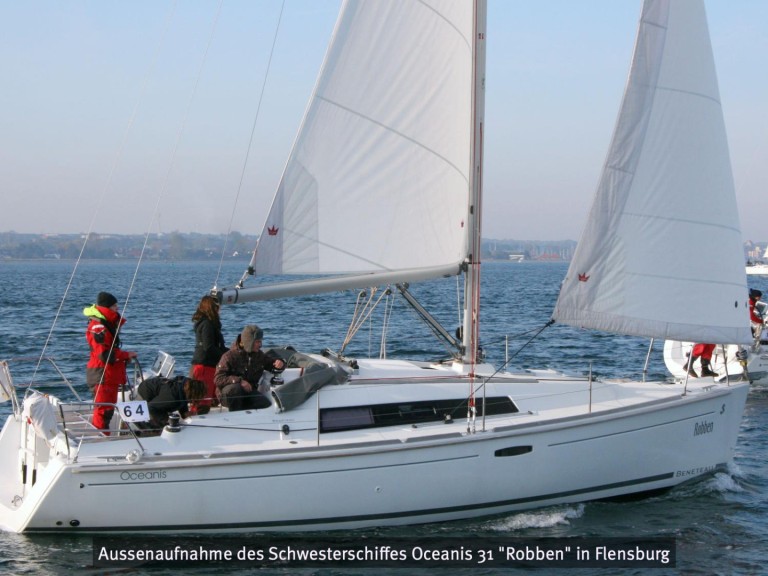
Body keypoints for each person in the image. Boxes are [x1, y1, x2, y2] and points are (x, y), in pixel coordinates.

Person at [84, 291, 138, 432]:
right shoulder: (98, 327)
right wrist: (125, 355)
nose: (117, 309)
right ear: (107, 307)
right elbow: (104, 354)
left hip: (107, 374)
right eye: (114, 306)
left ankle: (103, 435)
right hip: (102, 374)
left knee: (106, 409)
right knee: (104, 410)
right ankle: (100, 438)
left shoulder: (103, 325)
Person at [214, 324, 285, 411]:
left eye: (260, 341)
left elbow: (271, 364)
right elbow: (218, 379)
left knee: (264, 403)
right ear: (249, 342)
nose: (260, 345)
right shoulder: (229, 356)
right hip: (228, 394)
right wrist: (239, 381)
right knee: (236, 390)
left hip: (248, 392)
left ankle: (247, 416)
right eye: (257, 342)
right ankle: (236, 415)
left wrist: (280, 363)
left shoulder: (259, 356)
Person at [190, 295, 227, 413]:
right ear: (213, 308)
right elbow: (209, 346)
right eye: (218, 308)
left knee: (208, 398)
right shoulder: (207, 325)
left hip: (206, 365)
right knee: (203, 401)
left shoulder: (206, 324)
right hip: (205, 366)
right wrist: (224, 356)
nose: (220, 310)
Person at [136, 375, 206, 430]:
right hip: (145, 394)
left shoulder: (185, 386)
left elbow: (182, 397)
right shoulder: (172, 397)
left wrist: (184, 413)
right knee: (162, 424)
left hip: (159, 391)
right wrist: (166, 419)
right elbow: (151, 407)